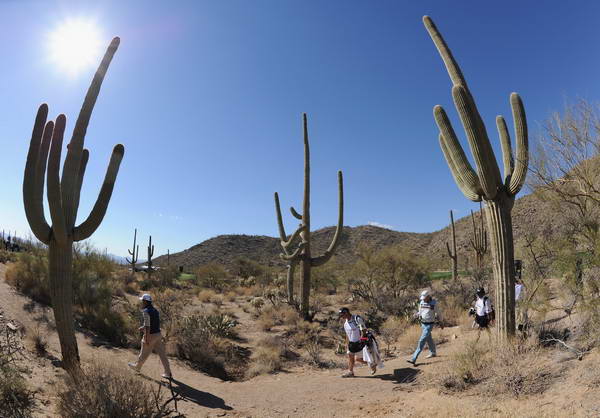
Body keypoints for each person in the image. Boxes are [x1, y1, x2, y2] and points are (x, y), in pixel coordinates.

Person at [128, 294, 172, 379]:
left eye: (142, 301)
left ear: (145, 301)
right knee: (162, 355)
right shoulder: (155, 310)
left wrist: (146, 337)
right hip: (158, 335)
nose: (142, 302)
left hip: (151, 335)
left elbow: (148, 326)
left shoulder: (146, 311)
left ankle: (137, 367)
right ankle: (168, 373)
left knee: (143, 352)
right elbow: (153, 323)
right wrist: (143, 327)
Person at [407, 290, 442, 366]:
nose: (423, 299)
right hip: (423, 324)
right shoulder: (422, 302)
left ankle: (413, 358)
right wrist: (416, 315)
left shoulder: (434, 303)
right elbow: (420, 312)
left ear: (428, 296)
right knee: (429, 339)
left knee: (422, 341)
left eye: (425, 297)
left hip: (430, 325)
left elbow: (438, 313)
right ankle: (433, 352)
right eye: (423, 298)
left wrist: (441, 322)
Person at [338, 307, 376, 377]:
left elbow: (363, 330)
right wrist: (347, 344)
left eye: (342, 315)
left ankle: (371, 363)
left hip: (360, 343)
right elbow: (347, 335)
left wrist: (362, 341)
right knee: (350, 356)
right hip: (352, 344)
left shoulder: (357, 319)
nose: (341, 317)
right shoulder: (345, 324)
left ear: (346, 313)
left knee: (358, 359)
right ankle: (350, 372)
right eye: (340, 315)